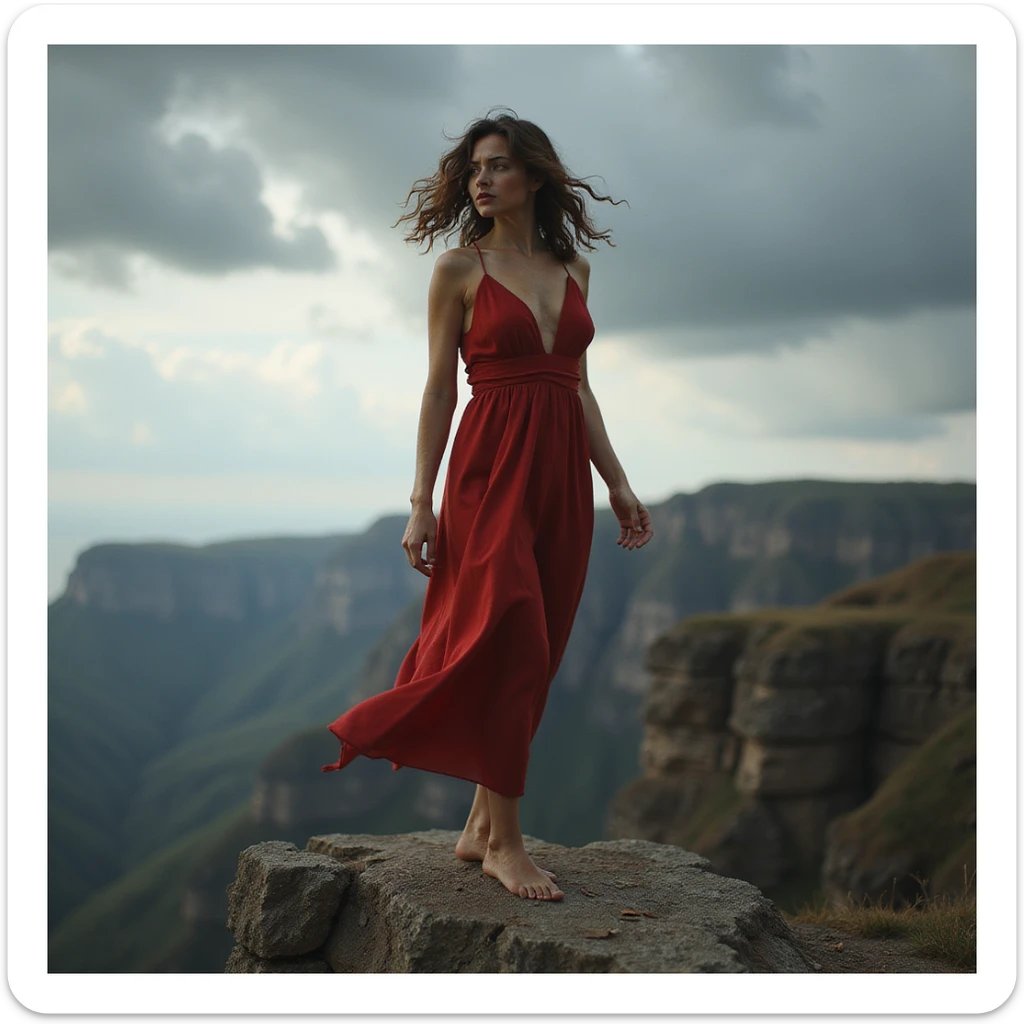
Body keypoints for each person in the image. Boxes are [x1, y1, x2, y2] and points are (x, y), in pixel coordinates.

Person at [322, 111, 653, 902]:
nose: (482, 179)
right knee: (510, 640)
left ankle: (476, 827)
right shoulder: (457, 271)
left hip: (561, 481)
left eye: (499, 165)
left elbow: (575, 387)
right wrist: (420, 501)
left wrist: (617, 481)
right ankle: (507, 843)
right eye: (475, 168)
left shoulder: (573, 269)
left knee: (539, 649)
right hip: (486, 473)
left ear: (534, 176)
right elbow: (439, 389)